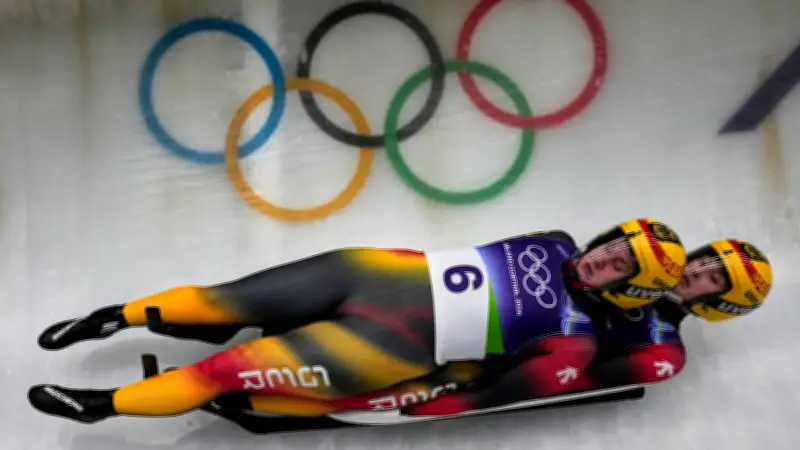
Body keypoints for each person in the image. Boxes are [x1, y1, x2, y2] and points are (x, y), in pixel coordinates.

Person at [28, 218, 688, 425]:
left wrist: (410, 400)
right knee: (219, 298)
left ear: (633, 287)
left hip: (387, 344)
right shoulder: (555, 241)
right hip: (372, 273)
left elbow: (485, 395)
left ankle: (103, 405)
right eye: (611, 244)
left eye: (619, 263)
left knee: (222, 371)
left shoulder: (575, 340)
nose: (601, 256)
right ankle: (111, 317)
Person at [186, 237, 773, 427]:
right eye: (703, 261)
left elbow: (569, 382)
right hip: (487, 311)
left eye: (712, 278)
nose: (696, 271)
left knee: (384, 385)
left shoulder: (664, 353)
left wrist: (467, 399)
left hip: (494, 358)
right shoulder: (640, 264)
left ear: (720, 302)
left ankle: (253, 394)